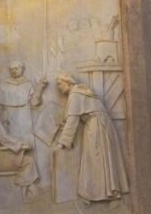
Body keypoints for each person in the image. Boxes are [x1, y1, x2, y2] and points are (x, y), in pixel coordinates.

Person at [55, 73, 129, 202]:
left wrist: (62, 143)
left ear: (68, 83)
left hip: (97, 127)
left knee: (94, 158)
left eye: (60, 84)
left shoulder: (76, 94)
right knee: (97, 159)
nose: (59, 88)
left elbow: (72, 121)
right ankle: (101, 192)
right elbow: (77, 115)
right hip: (101, 124)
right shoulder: (81, 92)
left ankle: (100, 194)